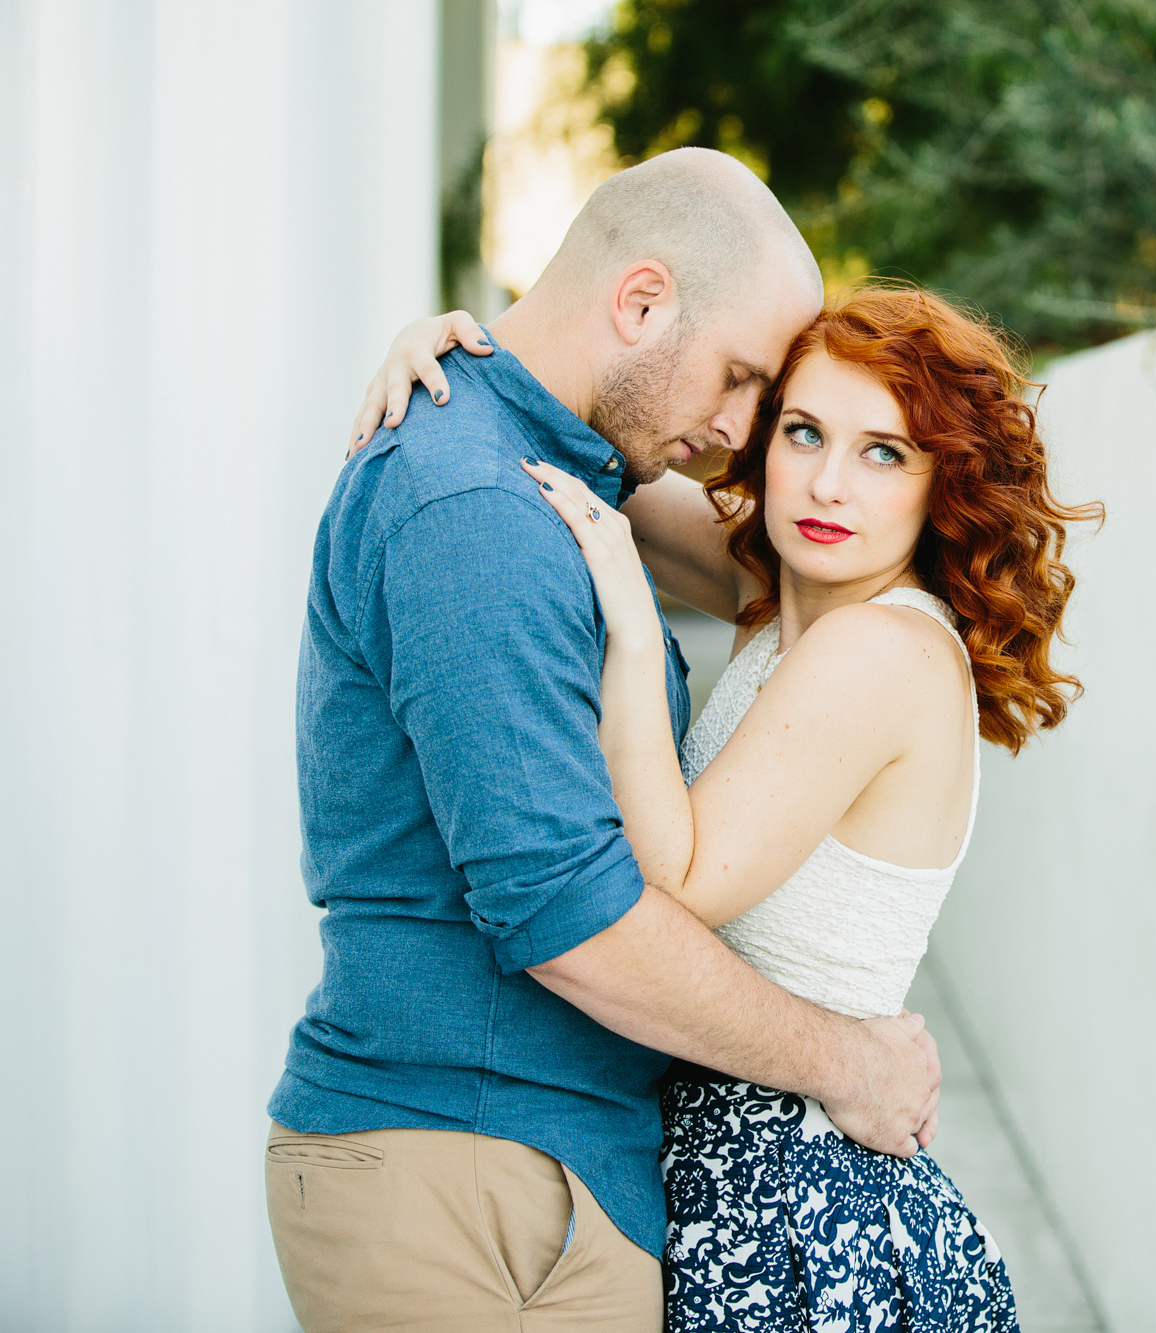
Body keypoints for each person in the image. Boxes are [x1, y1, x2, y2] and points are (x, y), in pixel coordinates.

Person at [267, 149, 943, 1333]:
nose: (741, 436)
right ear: (638, 303)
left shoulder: (543, 477)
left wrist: (479, 372)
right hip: (462, 1160)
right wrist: (847, 1061)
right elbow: (566, 918)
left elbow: (775, 547)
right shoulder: (472, 506)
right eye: (743, 384)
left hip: (559, 1170)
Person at [359, 281, 1100, 1329]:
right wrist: (453, 361)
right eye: (803, 432)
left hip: (802, 1200)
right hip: (731, 1164)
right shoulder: (787, 589)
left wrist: (626, 624)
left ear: (944, 485)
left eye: (883, 452)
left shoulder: (879, 647)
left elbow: (679, 879)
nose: (828, 483)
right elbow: (586, 458)